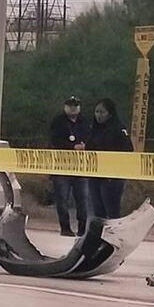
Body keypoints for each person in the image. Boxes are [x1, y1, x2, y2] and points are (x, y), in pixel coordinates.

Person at [49, 96, 91, 237]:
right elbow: (54, 141)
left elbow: (91, 138)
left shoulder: (85, 122)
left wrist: (86, 146)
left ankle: (82, 228)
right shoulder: (58, 121)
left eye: (76, 105)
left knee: (83, 199)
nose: (73, 108)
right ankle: (65, 228)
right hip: (62, 166)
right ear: (65, 106)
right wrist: (73, 147)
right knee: (62, 199)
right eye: (70, 105)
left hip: (81, 167)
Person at [85, 98, 134, 220]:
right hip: (95, 175)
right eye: (97, 112)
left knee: (112, 210)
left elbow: (128, 150)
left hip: (112, 176)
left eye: (102, 112)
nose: (99, 115)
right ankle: (99, 236)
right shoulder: (93, 130)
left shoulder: (118, 129)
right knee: (98, 210)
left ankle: (113, 237)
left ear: (110, 113)